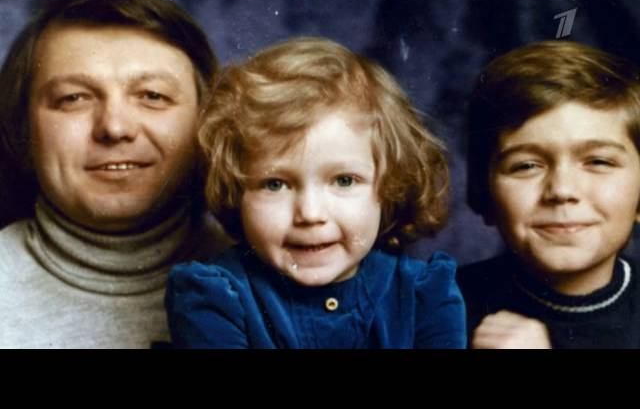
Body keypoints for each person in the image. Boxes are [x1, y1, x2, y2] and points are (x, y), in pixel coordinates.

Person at [165, 37, 466, 348]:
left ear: (390, 187)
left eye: (344, 181)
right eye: (275, 184)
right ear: (236, 193)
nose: (310, 214)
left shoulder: (425, 294)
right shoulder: (213, 297)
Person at [0, 0, 231, 348]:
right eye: (74, 98)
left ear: (207, 120)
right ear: (23, 127)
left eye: (152, 96)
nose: (114, 127)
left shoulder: (280, 280)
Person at [458, 40, 640, 349]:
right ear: (484, 190)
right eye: (526, 166)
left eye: (598, 162)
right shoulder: (434, 306)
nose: (562, 191)